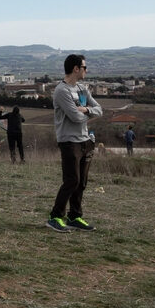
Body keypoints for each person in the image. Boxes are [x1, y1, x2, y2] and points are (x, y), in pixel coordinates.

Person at [47, 54, 101, 233]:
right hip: (69, 141)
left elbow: (99, 110)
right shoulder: (62, 91)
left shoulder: (82, 88)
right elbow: (75, 117)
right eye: (84, 67)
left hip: (86, 140)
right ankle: (55, 217)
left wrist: (86, 109)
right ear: (76, 69)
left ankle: (74, 216)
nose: (86, 70)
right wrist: (87, 113)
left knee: (82, 182)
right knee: (72, 180)